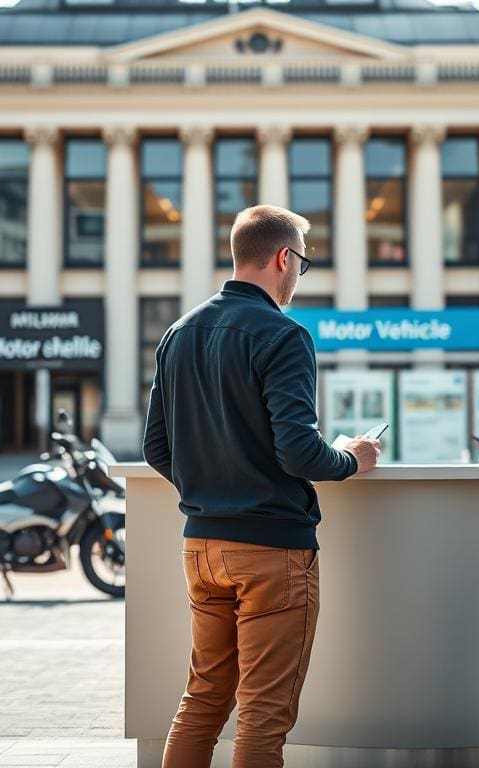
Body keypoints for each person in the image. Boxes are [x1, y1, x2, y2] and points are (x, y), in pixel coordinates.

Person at [143, 204, 381, 768]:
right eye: (302, 262)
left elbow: (157, 449)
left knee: (202, 698)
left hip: (202, 546)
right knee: (263, 715)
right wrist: (353, 458)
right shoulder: (284, 335)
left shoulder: (179, 333)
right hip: (274, 550)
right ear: (283, 258)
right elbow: (299, 451)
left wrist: (217, 485)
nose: (300, 274)